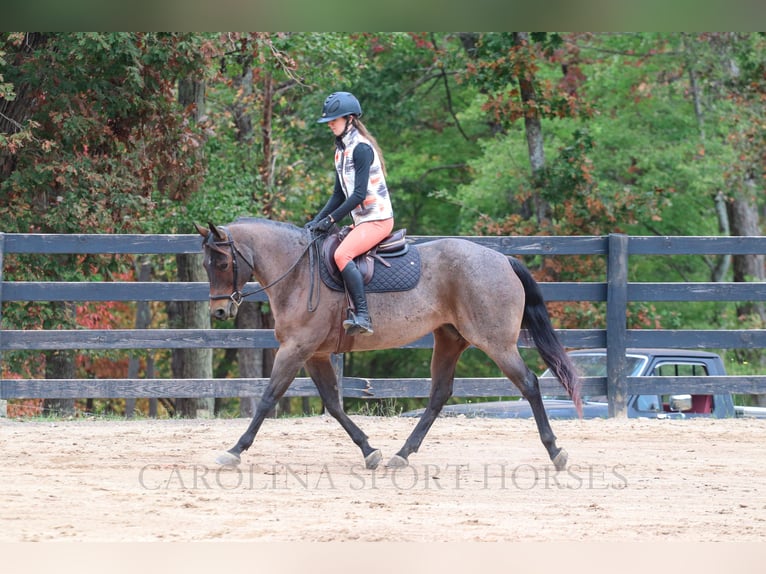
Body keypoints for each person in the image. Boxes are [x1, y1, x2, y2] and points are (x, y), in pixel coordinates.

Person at [306, 91, 394, 336]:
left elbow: (357, 195)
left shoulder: (361, 149)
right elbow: (337, 195)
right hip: (362, 221)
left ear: (351, 119)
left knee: (342, 255)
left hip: (377, 219)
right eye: (329, 120)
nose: (331, 124)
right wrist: (315, 221)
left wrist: (331, 220)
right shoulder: (340, 151)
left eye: (335, 119)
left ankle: (363, 316)